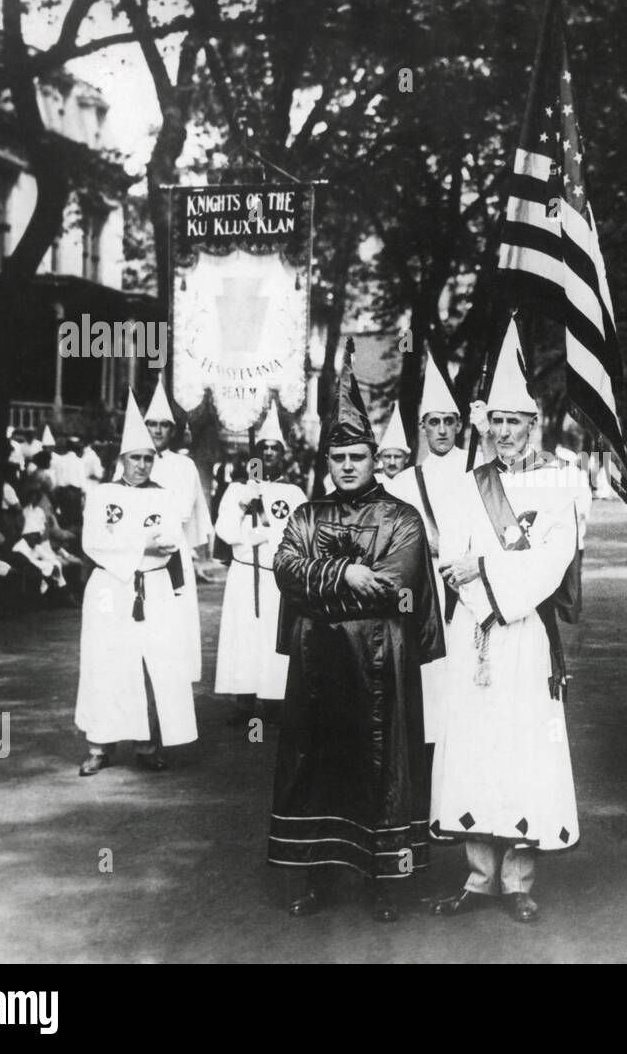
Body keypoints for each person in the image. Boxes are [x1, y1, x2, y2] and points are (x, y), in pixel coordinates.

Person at [269, 342, 444, 923]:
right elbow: (285, 571)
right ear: (328, 461)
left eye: (358, 456)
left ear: (376, 458)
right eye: (338, 456)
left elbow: (394, 587)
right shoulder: (306, 515)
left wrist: (334, 587)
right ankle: (314, 876)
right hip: (316, 661)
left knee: (378, 766)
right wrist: (343, 570)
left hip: (379, 660)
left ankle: (382, 884)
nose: (347, 465)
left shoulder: (403, 518)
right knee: (317, 766)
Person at [429, 320, 581, 924]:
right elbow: (451, 561)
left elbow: (552, 561)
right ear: (487, 425)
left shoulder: (561, 480)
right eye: (497, 421)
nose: (506, 432)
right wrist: (482, 588)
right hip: (475, 638)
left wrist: (487, 577)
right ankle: (478, 877)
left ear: (534, 421)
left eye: (516, 421)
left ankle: (519, 880)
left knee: (523, 748)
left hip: (525, 635)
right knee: (475, 747)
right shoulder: (470, 486)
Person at [75, 391, 196, 775]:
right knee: (105, 661)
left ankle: (147, 744)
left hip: (153, 588)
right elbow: (93, 542)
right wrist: (142, 542)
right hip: (110, 589)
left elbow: (171, 542)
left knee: (152, 663)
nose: (142, 465)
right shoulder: (102, 495)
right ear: (121, 460)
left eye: (147, 458)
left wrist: (134, 545)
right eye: (135, 458)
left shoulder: (164, 497)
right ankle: (99, 744)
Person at [387, 355, 467, 764]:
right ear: (422, 428)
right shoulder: (404, 482)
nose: (440, 430)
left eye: (448, 422)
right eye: (432, 422)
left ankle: (465, 753)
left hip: (469, 585)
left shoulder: (479, 473)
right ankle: (430, 757)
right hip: (426, 588)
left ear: (458, 426)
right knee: (431, 672)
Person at [213, 401, 307, 725]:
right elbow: (224, 531)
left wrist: (270, 534)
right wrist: (243, 503)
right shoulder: (237, 489)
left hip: (277, 576)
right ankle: (244, 700)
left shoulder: (294, 492)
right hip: (244, 574)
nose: (268, 453)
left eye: (274, 448)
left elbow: (303, 533)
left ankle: (274, 700)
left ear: (283, 454)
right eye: (263, 448)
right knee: (244, 636)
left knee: (274, 637)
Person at [144, 382, 211, 683]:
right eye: (151, 425)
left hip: (171, 551)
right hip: (139, 551)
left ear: (172, 430)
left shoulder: (183, 466)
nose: (157, 431)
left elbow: (182, 511)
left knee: (174, 623)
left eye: (163, 426)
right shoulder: (130, 463)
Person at [375, 400, 412, 482]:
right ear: (379, 457)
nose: (392, 462)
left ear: (407, 458)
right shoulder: (374, 483)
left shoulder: (412, 483)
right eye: (387, 456)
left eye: (397, 457)